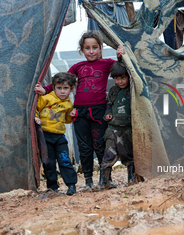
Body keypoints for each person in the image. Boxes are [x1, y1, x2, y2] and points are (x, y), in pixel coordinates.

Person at [35, 30, 124, 191]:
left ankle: (105, 179)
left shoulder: (107, 64)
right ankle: (88, 180)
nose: (91, 51)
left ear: (100, 48)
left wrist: (120, 56)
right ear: (82, 50)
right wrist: (46, 89)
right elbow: (62, 80)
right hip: (79, 113)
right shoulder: (78, 66)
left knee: (100, 145)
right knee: (85, 147)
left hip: (98, 112)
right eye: (87, 48)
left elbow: (122, 69)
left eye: (95, 47)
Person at [35, 72, 78, 195]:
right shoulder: (47, 98)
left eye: (66, 88)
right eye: (59, 88)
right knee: (48, 163)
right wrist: (36, 118)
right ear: (54, 88)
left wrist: (71, 116)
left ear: (71, 89)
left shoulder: (69, 104)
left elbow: (66, 120)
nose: (62, 91)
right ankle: (52, 187)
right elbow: (36, 108)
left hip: (59, 137)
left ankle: (71, 185)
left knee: (64, 160)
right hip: (45, 136)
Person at [97, 60, 135, 190]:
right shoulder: (113, 91)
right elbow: (108, 104)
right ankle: (103, 182)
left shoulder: (132, 90)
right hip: (112, 128)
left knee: (129, 154)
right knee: (108, 154)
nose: (120, 81)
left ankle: (132, 179)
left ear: (129, 77)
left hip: (128, 129)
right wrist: (107, 114)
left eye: (123, 78)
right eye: (117, 79)